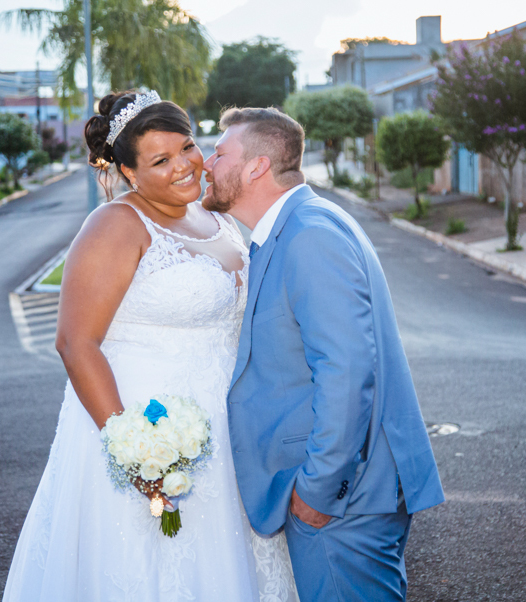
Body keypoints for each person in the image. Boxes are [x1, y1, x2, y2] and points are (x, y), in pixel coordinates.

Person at [1, 91, 297, 602]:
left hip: (227, 436)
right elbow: (75, 342)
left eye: (187, 147)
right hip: (150, 431)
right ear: (128, 172)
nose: (184, 166)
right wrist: (135, 454)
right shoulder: (115, 225)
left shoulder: (218, 218)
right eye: (161, 161)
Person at [203, 107, 445, 601]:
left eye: (220, 153)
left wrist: (318, 490)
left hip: (345, 502)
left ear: (256, 167)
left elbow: (348, 373)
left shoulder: (309, 236)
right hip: (350, 496)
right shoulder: (300, 224)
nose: (207, 163)